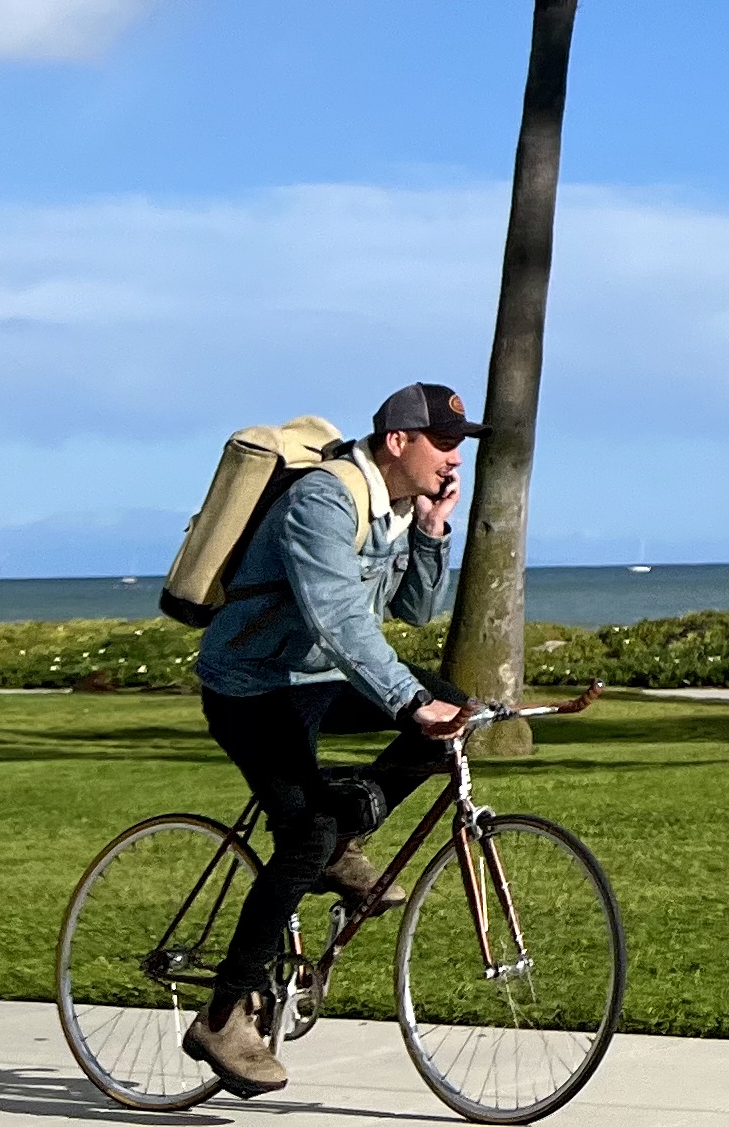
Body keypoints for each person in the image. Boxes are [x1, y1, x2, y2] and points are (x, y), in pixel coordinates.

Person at [183, 384, 474, 1096]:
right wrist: (407, 702)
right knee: (306, 835)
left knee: (454, 708)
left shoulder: (398, 507)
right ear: (399, 442)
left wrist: (433, 530)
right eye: (443, 442)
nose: (453, 459)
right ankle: (223, 1014)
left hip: (314, 680)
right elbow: (339, 620)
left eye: (460, 444)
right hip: (251, 684)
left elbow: (414, 609)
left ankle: (344, 834)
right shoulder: (323, 499)